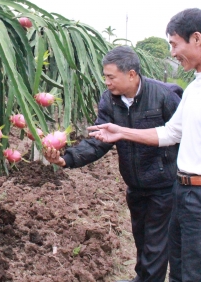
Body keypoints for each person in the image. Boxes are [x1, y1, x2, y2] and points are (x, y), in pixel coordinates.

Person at [88, 9, 201, 282]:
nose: (172, 52)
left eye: (174, 44)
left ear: (197, 39)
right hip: (181, 192)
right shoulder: (196, 87)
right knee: (179, 274)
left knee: (199, 275)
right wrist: (120, 132)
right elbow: (171, 133)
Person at [44, 46, 182, 282]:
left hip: (164, 185)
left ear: (131, 74)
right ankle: (143, 277)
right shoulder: (110, 99)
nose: (106, 82)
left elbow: (183, 135)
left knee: (156, 244)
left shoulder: (164, 96)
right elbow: (99, 141)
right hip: (135, 184)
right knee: (141, 238)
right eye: (105, 77)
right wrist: (66, 159)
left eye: (111, 77)